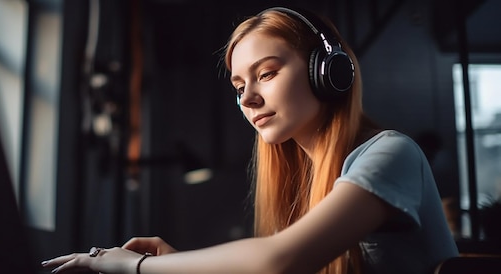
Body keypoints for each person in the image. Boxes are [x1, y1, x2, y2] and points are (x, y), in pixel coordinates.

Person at [41, 6, 458, 274]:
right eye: (239, 85)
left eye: (268, 73)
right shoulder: (313, 178)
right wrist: (176, 262)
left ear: (329, 73)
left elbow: (278, 261)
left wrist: (132, 268)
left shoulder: (391, 153)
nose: (248, 98)